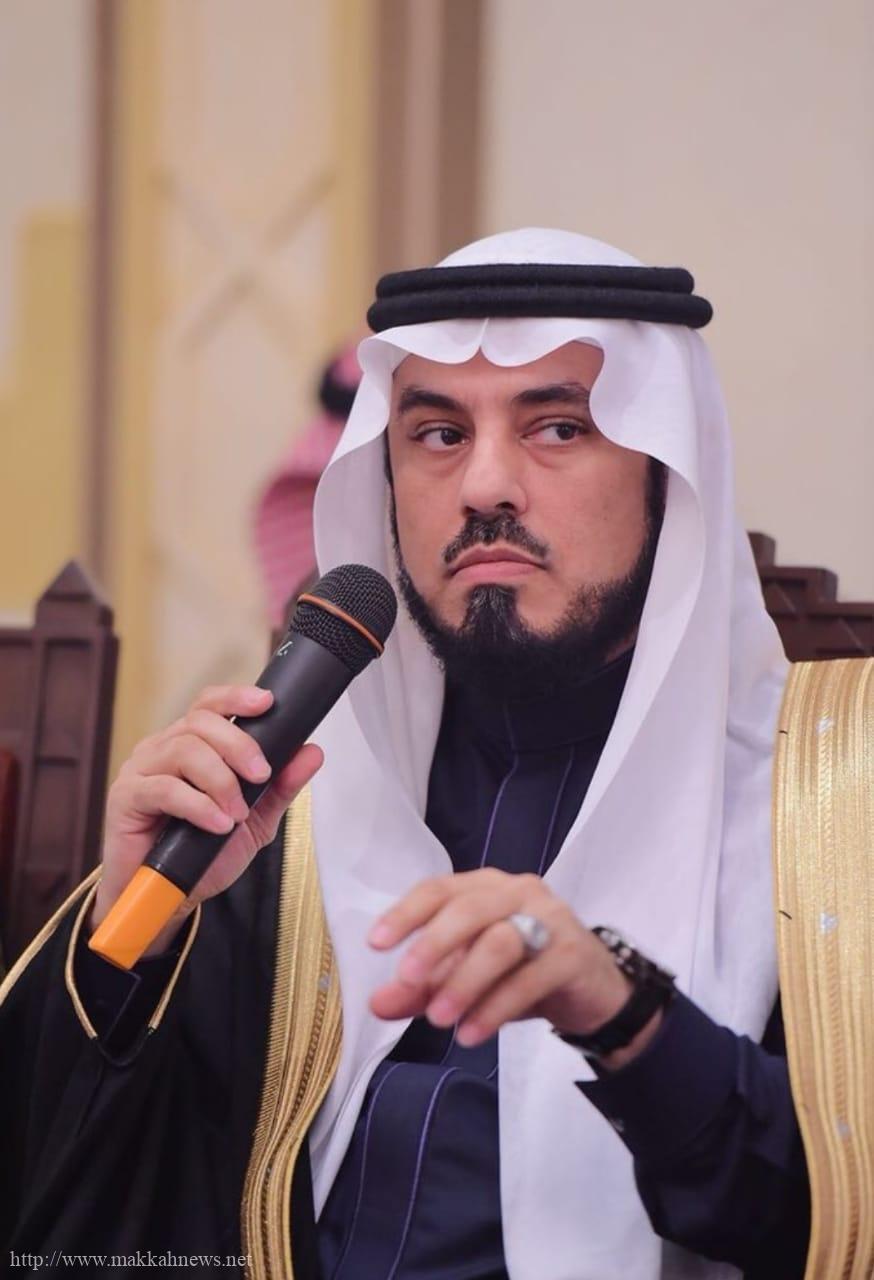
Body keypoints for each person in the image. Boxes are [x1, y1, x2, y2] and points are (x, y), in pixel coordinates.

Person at [1, 228, 813, 1279]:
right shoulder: (289, 806)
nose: (485, 485)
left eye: (558, 427)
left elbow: (829, 1206)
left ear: (669, 477)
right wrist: (132, 935)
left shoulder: (825, 817)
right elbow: (81, 1195)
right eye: (436, 433)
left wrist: (623, 1012)